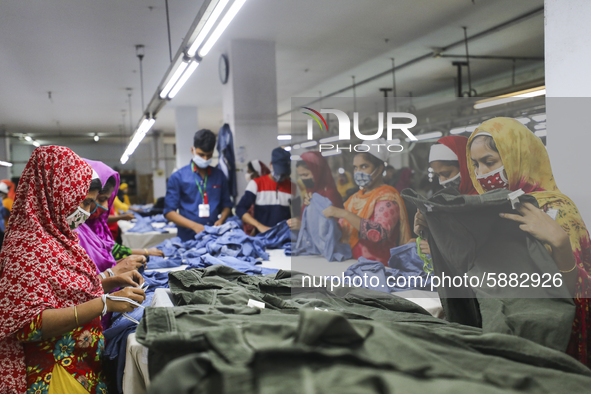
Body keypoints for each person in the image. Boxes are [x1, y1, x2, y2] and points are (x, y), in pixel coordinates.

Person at [0, 146, 146, 393]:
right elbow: (28, 325)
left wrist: (108, 281)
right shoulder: (27, 248)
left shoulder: (59, 237)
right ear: (57, 194)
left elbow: (64, 291)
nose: (88, 213)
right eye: (84, 203)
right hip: (52, 372)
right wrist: (104, 303)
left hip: (80, 364)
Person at [463, 117, 591, 367]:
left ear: (518, 157)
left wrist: (561, 246)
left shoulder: (557, 209)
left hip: (555, 334)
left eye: (489, 162)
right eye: (476, 165)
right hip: (510, 326)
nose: (481, 174)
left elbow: (571, 294)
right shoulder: (487, 211)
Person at [323, 140, 412, 265]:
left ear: (380, 168)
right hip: (352, 263)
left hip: (379, 267)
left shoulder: (387, 198)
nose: (358, 172)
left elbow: (380, 234)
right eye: (355, 167)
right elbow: (342, 230)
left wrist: (345, 214)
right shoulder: (354, 198)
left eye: (364, 166)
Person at [76, 160, 162, 276]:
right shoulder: (77, 232)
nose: (106, 207)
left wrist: (117, 266)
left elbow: (107, 252)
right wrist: (113, 272)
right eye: (101, 199)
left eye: (108, 199)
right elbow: (82, 286)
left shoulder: (93, 227)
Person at [164, 129, 232, 241]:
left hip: (213, 236)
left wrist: (222, 220)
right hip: (187, 237)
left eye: (209, 155)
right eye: (201, 155)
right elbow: (169, 212)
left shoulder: (219, 176)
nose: (205, 159)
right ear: (193, 150)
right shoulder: (178, 177)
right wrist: (194, 226)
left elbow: (227, 205)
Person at [417, 135, 478, 255]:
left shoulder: (482, 201)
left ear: (465, 165)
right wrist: (425, 231)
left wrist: (439, 250)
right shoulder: (450, 202)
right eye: (438, 175)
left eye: (446, 174)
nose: (442, 181)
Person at [236, 147, 294, 234]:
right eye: (278, 172)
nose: (281, 175)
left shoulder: (292, 187)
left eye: (283, 173)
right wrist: (259, 226)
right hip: (262, 237)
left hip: (285, 237)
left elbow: (299, 213)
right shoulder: (256, 184)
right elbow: (240, 209)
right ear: (271, 165)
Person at [242, 160, 270, 235]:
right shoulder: (251, 189)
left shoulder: (265, 192)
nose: (247, 175)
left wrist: (255, 230)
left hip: (260, 232)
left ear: (256, 173)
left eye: (249, 172)